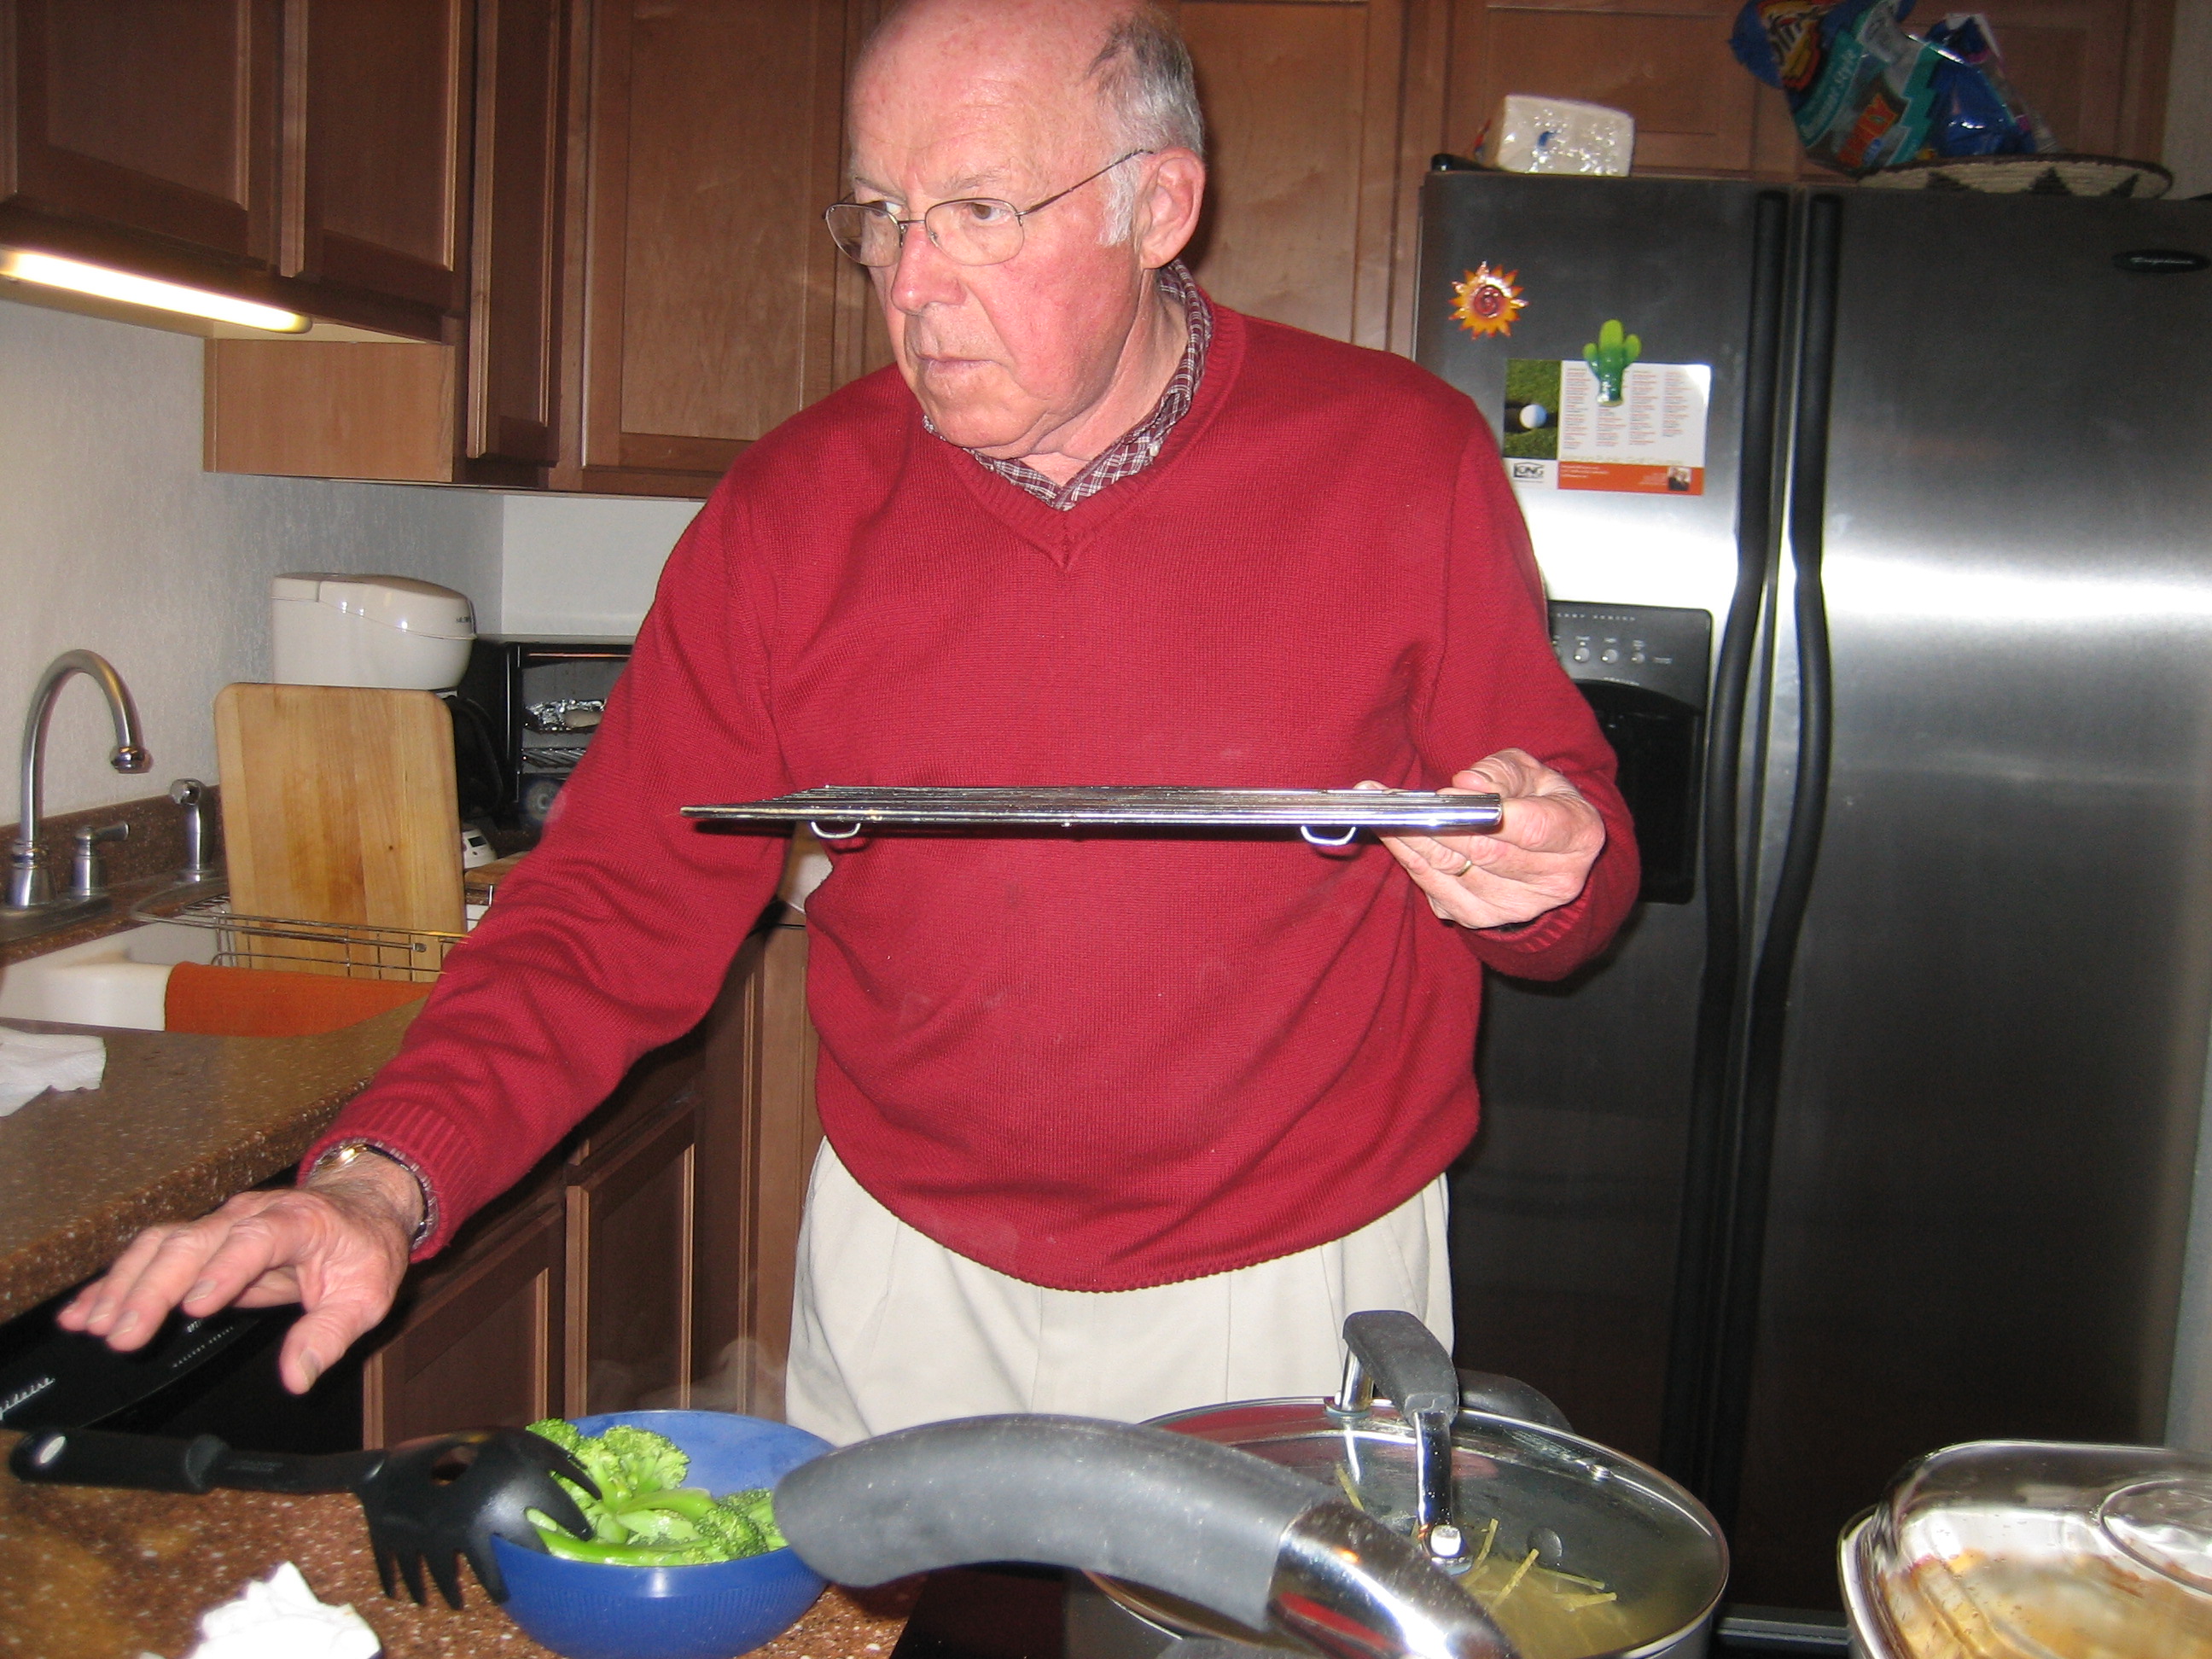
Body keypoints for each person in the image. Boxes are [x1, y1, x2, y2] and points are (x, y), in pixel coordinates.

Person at [59, 0, 1638, 1442]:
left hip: (1291, 1288)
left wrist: (1546, 867)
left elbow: (1571, 850)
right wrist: (380, 1178)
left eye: (980, 212)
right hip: (908, 1289)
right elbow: (610, 902)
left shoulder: (1400, 459)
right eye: (882, 215)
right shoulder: (789, 517)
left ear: (1158, 205)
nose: (911, 283)